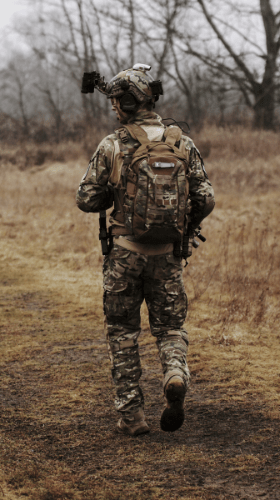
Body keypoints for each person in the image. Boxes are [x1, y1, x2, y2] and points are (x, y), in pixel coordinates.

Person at [76, 64, 215, 436]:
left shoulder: (114, 144)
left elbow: (86, 199)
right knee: (170, 327)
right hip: (168, 255)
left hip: (123, 254)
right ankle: (173, 373)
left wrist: (114, 194)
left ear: (124, 103)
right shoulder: (181, 143)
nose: (113, 110)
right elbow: (206, 197)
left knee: (122, 332)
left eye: (115, 103)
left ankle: (132, 416)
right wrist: (186, 229)